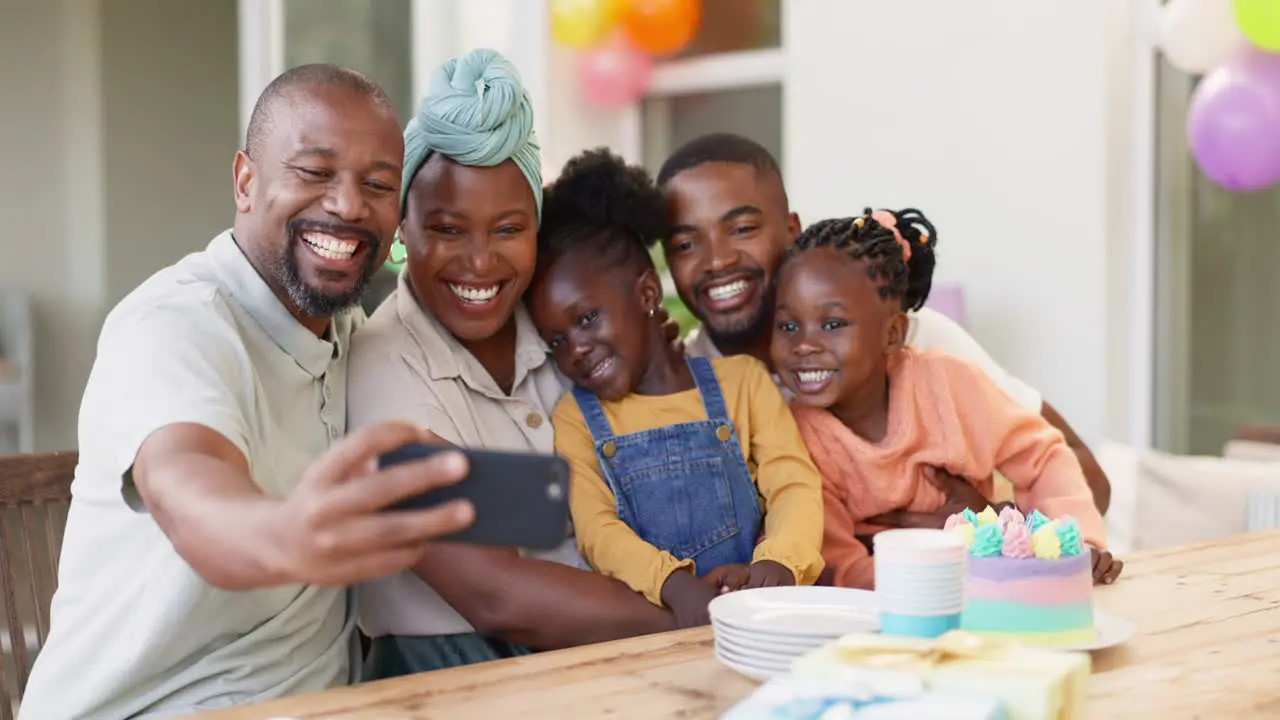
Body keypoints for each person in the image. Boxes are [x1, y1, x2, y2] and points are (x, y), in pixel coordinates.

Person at [19, 65, 476, 720]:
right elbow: (189, 486)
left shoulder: (355, 338)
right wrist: (291, 532)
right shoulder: (174, 326)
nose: (348, 205)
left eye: (377, 185)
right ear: (245, 181)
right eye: (315, 173)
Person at [347, 49, 679, 679]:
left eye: (507, 229)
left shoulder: (564, 333)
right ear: (402, 227)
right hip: (448, 675)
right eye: (447, 229)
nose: (479, 263)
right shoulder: (380, 370)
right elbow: (493, 593)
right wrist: (695, 618)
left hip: (613, 654)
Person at [655, 133, 1113, 519]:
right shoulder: (685, 390)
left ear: (792, 229)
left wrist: (986, 526)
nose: (717, 260)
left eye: (742, 230)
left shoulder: (914, 343)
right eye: (685, 243)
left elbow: (1085, 477)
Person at [525, 149, 825, 627]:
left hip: (759, 615)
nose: (575, 349)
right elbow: (597, 530)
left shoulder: (741, 382)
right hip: (660, 628)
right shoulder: (575, 417)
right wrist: (674, 585)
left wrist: (781, 563)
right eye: (556, 339)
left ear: (646, 293)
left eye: (586, 319)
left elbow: (793, 484)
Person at [771, 214, 1121, 590]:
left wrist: (1076, 542)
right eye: (789, 326)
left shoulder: (948, 384)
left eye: (832, 324)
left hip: (998, 595)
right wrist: (944, 570)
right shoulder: (798, 438)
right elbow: (840, 568)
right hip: (893, 613)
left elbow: (1045, 457)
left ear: (893, 333)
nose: (804, 344)